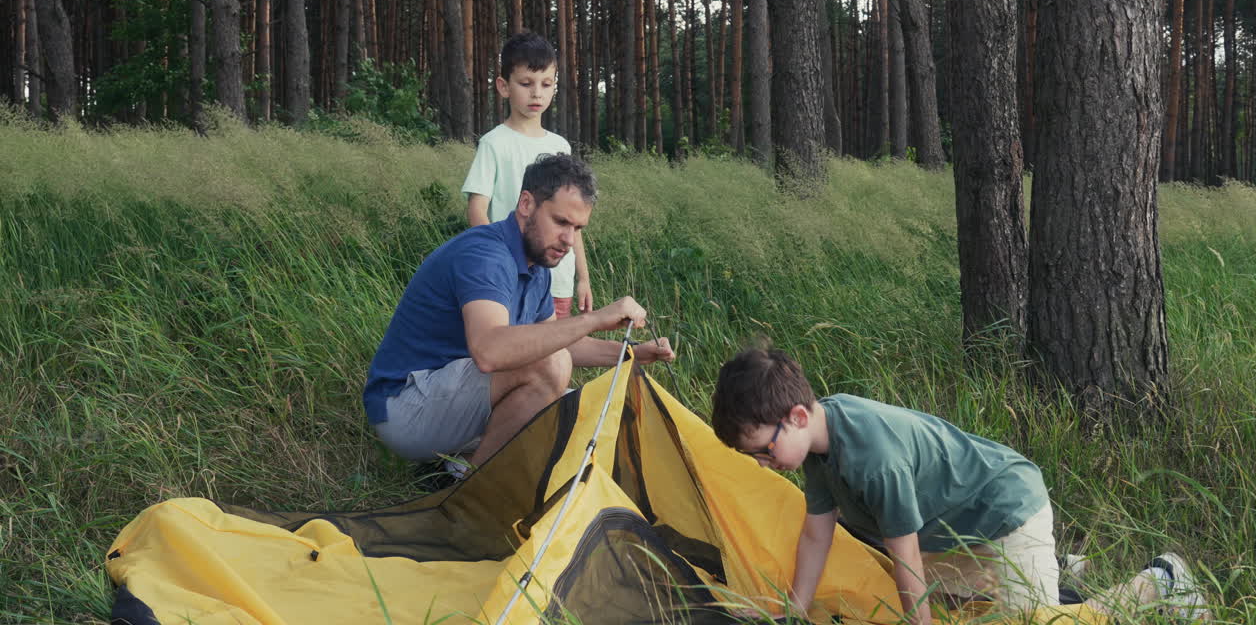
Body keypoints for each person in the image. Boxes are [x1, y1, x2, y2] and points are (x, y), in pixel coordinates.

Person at [710, 345, 1209, 623]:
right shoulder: (817, 445)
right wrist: (794, 613)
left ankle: (1162, 580)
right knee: (951, 602)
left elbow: (904, 552)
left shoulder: (870, 458)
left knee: (1033, 624)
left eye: (763, 450)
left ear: (796, 416)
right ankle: (1056, 569)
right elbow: (817, 534)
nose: (760, 463)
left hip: (1007, 509)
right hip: (960, 529)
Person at [365, 154, 674, 472]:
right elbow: (490, 352)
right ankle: (474, 493)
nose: (569, 240)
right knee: (551, 369)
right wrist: (593, 319)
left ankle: (458, 466)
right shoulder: (486, 255)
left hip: (458, 401)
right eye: (561, 222)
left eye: (578, 228)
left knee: (593, 410)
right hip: (407, 408)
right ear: (527, 204)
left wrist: (633, 353)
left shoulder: (537, 267)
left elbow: (557, 343)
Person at [462, 31, 591, 321]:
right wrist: (501, 259)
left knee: (558, 353)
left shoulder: (560, 146)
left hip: (558, 278)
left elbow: (573, 218)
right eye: (526, 83)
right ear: (504, 86)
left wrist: (583, 277)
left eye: (546, 84)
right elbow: (476, 210)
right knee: (516, 354)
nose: (536, 93)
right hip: (511, 276)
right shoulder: (494, 143)